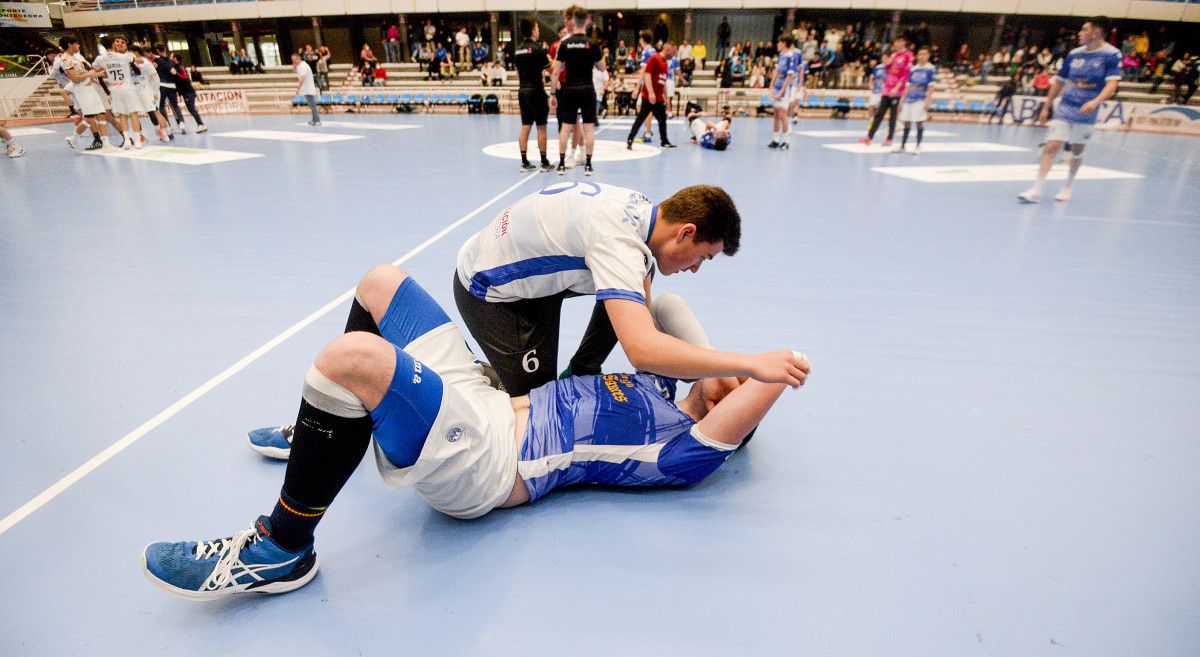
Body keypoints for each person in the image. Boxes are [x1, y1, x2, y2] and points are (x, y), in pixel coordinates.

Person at [144, 263, 811, 600]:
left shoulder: (685, 450)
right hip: (484, 403)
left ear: (737, 424)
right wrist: (726, 360)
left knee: (352, 359)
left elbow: (763, 382)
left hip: (490, 464)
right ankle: (331, 430)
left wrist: (763, 370)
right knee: (382, 282)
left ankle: (283, 547)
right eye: (729, 372)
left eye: (740, 393)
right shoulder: (661, 382)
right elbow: (669, 304)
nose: (732, 378)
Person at [450, 182, 805, 400]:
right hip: (491, 291)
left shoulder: (642, 213)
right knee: (536, 410)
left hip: (530, 273)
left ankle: (583, 368)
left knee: (633, 287)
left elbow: (643, 317)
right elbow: (643, 350)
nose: (695, 269)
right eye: (703, 257)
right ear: (686, 232)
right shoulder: (618, 243)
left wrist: (707, 370)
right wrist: (751, 364)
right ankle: (477, 377)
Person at [1018, 17, 1120, 204]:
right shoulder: (1074, 54)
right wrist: (1046, 107)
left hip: (1086, 111)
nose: (1079, 34)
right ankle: (1036, 189)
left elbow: (1112, 83)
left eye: (1083, 30)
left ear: (1096, 33)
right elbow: (1059, 82)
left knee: (1077, 149)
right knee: (1052, 146)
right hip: (1065, 106)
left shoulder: (1111, 54)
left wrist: (1095, 102)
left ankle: (1067, 186)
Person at [550, 5, 605, 175]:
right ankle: (588, 164)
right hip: (587, 89)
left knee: (566, 128)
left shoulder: (564, 44)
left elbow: (556, 71)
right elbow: (602, 67)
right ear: (587, 21)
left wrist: (552, 93)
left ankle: (560, 163)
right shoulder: (593, 44)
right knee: (588, 129)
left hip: (570, 90)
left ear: (573, 21)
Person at [512, 19, 553, 173]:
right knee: (541, 127)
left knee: (525, 126)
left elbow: (517, 73)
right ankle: (544, 161)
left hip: (522, 91)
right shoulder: (538, 50)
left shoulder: (518, 50)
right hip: (536, 90)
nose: (539, 30)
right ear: (533, 31)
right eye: (537, 27)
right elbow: (551, 70)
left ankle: (524, 161)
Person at [50, 41, 106, 152]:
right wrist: (89, 74)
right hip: (82, 90)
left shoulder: (76, 57)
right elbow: (75, 78)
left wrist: (99, 74)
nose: (79, 46)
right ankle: (74, 138)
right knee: (90, 116)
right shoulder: (65, 59)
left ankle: (98, 140)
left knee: (99, 113)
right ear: (70, 45)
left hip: (89, 87)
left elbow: (86, 72)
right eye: (76, 44)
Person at [93, 35, 145, 150]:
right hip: (128, 88)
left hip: (114, 90)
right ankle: (137, 141)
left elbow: (95, 68)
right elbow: (138, 61)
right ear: (113, 44)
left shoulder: (100, 59)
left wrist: (106, 71)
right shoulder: (124, 57)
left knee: (122, 115)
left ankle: (127, 141)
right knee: (133, 114)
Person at [858, 38, 911, 147]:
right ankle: (869, 137)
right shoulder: (894, 55)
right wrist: (888, 58)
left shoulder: (908, 55)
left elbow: (906, 75)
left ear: (904, 42)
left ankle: (889, 139)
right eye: (897, 42)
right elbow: (887, 67)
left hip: (896, 91)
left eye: (900, 41)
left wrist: (896, 88)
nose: (897, 43)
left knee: (893, 115)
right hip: (887, 89)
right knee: (879, 115)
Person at [625, 40, 676, 151]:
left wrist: (666, 98)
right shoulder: (654, 59)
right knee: (640, 119)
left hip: (658, 99)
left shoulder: (665, 63)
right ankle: (630, 139)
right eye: (673, 52)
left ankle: (664, 141)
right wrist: (651, 92)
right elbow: (647, 75)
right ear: (667, 50)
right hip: (649, 98)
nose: (674, 55)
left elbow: (664, 82)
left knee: (662, 120)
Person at [892, 46, 936, 155]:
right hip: (909, 98)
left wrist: (927, 101)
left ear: (928, 56)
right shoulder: (913, 69)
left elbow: (931, 86)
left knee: (919, 122)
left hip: (921, 98)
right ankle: (902, 146)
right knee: (906, 122)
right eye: (920, 54)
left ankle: (918, 145)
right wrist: (902, 101)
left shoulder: (930, 69)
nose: (921, 56)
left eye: (924, 54)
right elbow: (908, 86)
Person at [131, 45, 171, 143]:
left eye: (130, 52)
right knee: (134, 113)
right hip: (135, 92)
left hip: (147, 91)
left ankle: (164, 131)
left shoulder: (145, 62)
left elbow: (155, 77)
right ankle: (141, 136)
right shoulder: (129, 63)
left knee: (155, 111)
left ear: (136, 52)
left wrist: (155, 91)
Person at [767, 35, 801, 150]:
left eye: (779, 42)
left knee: (783, 114)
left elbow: (790, 76)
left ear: (784, 43)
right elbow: (776, 70)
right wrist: (771, 85)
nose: (777, 44)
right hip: (777, 86)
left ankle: (786, 141)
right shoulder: (781, 55)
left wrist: (781, 92)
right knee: (776, 114)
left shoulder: (792, 57)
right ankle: (775, 140)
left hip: (785, 88)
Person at [171, 53, 207, 133]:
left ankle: (201, 124)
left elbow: (185, 77)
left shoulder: (180, 67)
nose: (171, 59)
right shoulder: (176, 67)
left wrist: (176, 74)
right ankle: (201, 124)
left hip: (188, 92)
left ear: (176, 58)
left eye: (172, 57)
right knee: (191, 109)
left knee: (191, 109)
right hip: (186, 92)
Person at [293, 53, 321, 126]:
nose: (293, 61)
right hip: (305, 89)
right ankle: (314, 119)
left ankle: (317, 121)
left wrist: (298, 88)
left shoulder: (303, 66)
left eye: (294, 60)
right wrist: (294, 65)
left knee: (312, 105)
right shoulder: (299, 66)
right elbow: (294, 71)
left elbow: (302, 78)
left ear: (298, 58)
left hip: (308, 89)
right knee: (311, 105)